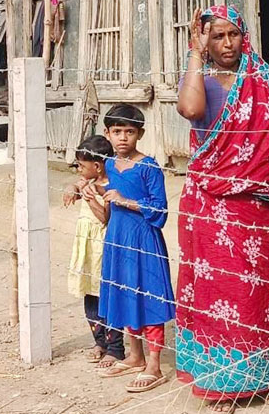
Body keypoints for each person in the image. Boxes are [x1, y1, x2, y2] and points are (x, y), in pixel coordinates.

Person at [174, 5, 269, 413]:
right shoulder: (200, 78)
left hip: (263, 205)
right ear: (204, 41)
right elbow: (192, 110)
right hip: (214, 207)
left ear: (244, 35)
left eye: (233, 35)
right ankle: (226, 382)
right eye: (217, 37)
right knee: (222, 294)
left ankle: (266, 377)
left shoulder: (262, 81)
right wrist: (195, 54)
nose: (226, 44)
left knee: (260, 293)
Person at [97, 104, 176, 394]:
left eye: (129, 132)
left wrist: (125, 200)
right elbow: (93, 178)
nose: (122, 138)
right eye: (116, 132)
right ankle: (134, 355)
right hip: (117, 240)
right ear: (107, 133)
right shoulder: (108, 165)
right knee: (124, 293)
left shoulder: (149, 167)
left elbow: (160, 211)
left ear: (140, 134)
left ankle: (154, 365)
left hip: (143, 241)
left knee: (148, 297)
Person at [63, 134, 123, 370]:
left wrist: (91, 201)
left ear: (97, 166)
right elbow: (76, 183)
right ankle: (99, 342)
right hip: (87, 248)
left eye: (81, 165)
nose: (79, 170)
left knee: (107, 294)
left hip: (103, 247)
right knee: (89, 292)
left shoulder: (110, 187)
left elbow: (105, 219)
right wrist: (72, 186)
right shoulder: (87, 181)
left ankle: (115, 345)